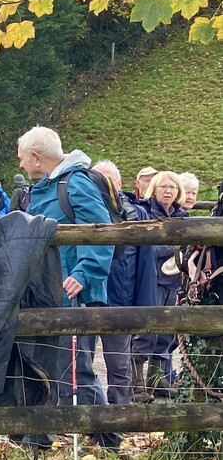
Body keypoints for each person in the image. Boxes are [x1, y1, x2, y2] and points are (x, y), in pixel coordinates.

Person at [17, 126, 115, 448]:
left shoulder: (75, 184)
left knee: (77, 372)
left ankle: (110, 438)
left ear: (35, 157)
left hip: (73, 295)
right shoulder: (40, 189)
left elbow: (102, 230)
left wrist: (84, 273)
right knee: (43, 366)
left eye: (21, 159)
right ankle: (37, 439)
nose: (20, 166)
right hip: (45, 295)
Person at [91, 160, 157, 405]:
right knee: (79, 363)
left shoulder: (137, 214)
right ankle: (86, 413)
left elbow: (145, 265)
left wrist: (143, 308)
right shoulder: (81, 211)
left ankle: (120, 417)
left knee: (119, 366)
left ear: (119, 184)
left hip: (119, 301)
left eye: (110, 180)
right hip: (86, 299)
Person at [139, 170, 189, 396]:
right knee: (147, 329)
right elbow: (149, 247)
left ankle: (157, 380)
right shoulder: (146, 212)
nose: (168, 191)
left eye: (172, 187)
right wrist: (174, 245)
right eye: (163, 187)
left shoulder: (183, 216)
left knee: (168, 330)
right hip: (153, 280)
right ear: (154, 189)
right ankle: (137, 383)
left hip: (175, 280)